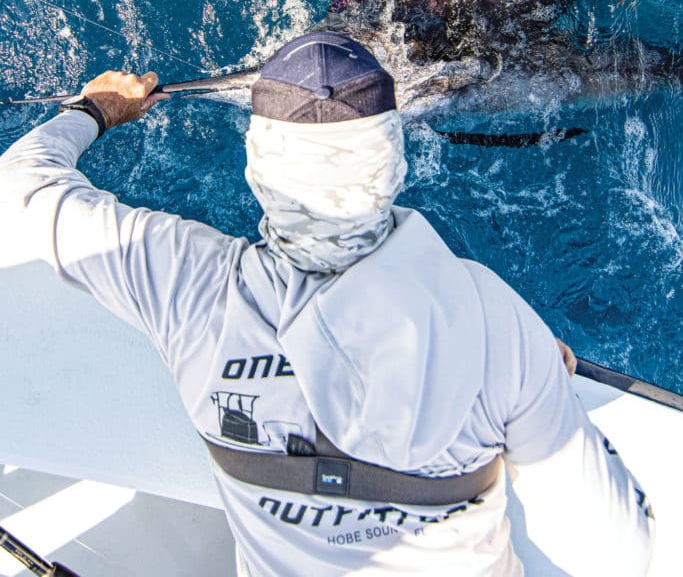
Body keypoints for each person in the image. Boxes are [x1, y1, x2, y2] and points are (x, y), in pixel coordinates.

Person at [0, 32, 653, 576]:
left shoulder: (183, 281)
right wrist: (538, 384)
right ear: (394, 160)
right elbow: (624, 555)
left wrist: (95, 109)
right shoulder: (491, 320)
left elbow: (21, 184)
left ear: (256, 168)